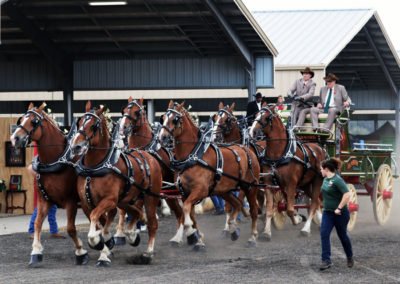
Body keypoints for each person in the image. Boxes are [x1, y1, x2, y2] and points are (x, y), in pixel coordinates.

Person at [319, 158, 353, 271]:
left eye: (321, 169)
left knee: (342, 235)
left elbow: (347, 194)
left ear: (326, 169)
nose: (320, 171)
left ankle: (349, 256)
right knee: (324, 233)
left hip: (340, 214)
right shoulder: (325, 180)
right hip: (327, 213)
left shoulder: (337, 180)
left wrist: (339, 208)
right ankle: (326, 260)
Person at [27, 164, 65, 239]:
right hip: (45, 191)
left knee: (52, 211)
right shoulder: (42, 164)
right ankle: (32, 231)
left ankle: (54, 231)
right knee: (39, 211)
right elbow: (30, 168)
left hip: (51, 191)